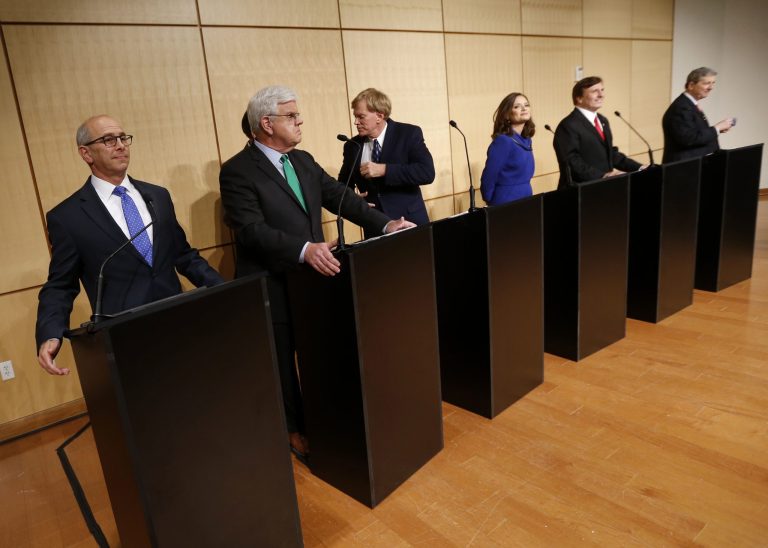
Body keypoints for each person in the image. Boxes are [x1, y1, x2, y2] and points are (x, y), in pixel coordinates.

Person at [219, 86, 414, 460]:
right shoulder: (238, 171)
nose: (300, 120)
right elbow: (250, 230)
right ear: (266, 123)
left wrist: (386, 225)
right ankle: (293, 429)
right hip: (271, 281)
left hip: (314, 278)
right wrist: (303, 249)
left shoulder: (303, 160)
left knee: (318, 351)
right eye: (291, 116)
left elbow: (340, 197)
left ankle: (326, 417)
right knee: (282, 362)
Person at [36, 115, 224, 375]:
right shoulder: (67, 218)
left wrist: (224, 291)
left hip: (179, 322)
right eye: (108, 140)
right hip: (126, 338)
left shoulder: (157, 196)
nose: (121, 145)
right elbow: (60, 284)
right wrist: (50, 333)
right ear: (85, 153)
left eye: (123, 138)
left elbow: (184, 256)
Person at [338, 88, 434, 236]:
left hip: (410, 222)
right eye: (355, 117)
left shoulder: (408, 134)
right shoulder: (352, 146)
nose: (356, 122)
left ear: (379, 116)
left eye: (361, 116)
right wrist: (353, 200)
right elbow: (343, 185)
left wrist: (385, 170)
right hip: (375, 228)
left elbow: (426, 173)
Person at [553, 76, 644, 189]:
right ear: (579, 98)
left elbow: (611, 154)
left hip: (603, 187)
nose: (601, 95)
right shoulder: (568, 126)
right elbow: (571, 162)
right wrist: (602, 176)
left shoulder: (602, 120)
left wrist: (640, 168)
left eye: (602, 90)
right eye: (595, 91)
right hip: (580, 191)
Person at [662, 67, 735, 163]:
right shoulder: (681, 108)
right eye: (706, 83)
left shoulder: (690, 104)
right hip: (684, 169)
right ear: (691, 85)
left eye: (713, 83)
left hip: (695, 166)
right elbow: (689, 139)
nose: (711, 88)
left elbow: (696, 132)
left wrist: (718, 129)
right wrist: (716, 128)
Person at [480, 92, 536, 205]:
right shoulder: (503, 141)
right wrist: (491, 201)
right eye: (517, 106)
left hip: (526, 197)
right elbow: (489, 177)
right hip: (506, 201)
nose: (524, 108)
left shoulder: (526, 140)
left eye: (526, 105)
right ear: (506, 114)